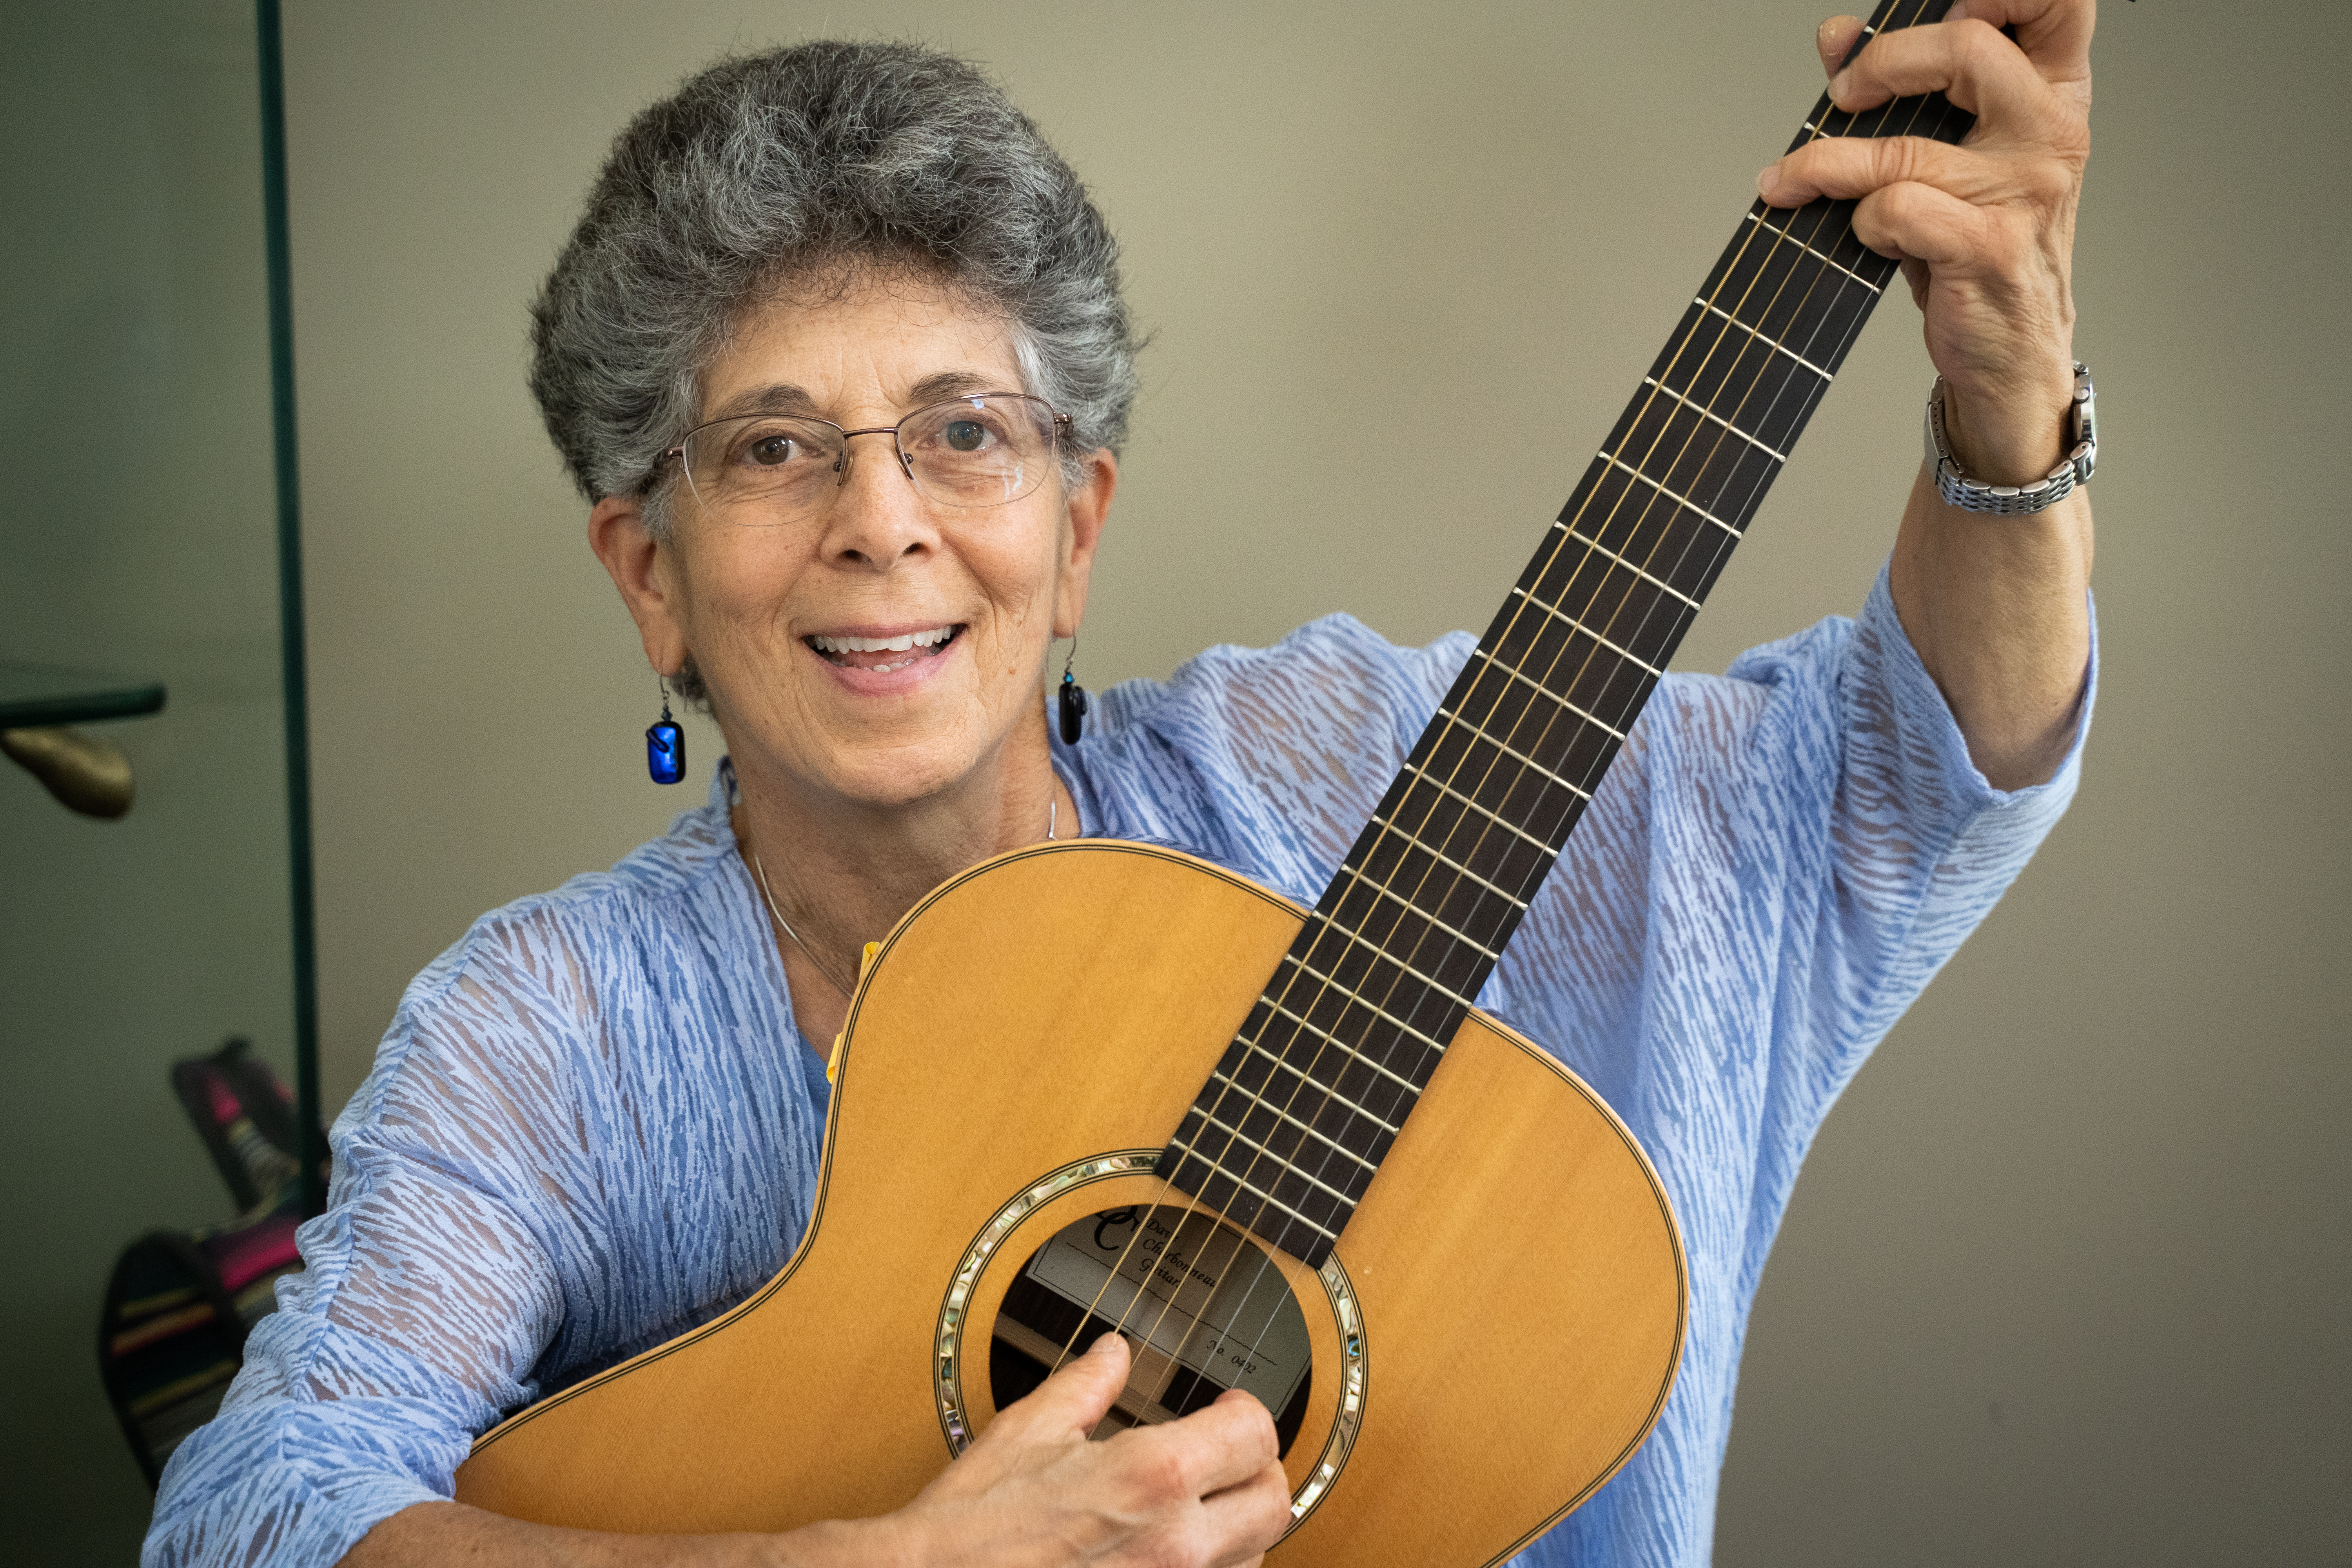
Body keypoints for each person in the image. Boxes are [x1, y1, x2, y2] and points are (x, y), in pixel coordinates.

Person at [143, 4, 2099, 1565]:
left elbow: (1884, 777)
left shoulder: (1335, 781)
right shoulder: (547, 1025)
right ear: (649, 575)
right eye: (770, 450)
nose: (882, 524)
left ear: (1076, 534)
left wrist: (2007, 393)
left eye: (964, 432)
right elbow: (258, 1509)